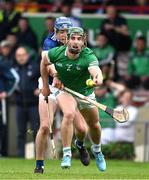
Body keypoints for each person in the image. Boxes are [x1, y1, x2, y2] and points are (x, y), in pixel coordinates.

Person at [41, 27, 106, 172]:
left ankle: (97, 151)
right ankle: (67, 154)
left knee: (93, 125)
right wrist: (46, 85)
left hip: (84, 92)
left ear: (83, 42)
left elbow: (96, 71)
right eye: (73, 38)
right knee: (69, 114)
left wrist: (98, 79)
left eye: (79, 39)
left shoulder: (88, 55)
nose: (76, 42)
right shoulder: (55, 53)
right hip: (65, 90)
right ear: (67, 40)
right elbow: (43, 64)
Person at [34, 17, 89, 173]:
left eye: (67, 31)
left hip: (68, 88)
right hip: (50, 85)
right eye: (61, 31)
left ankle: (79, 144)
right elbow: (47, 64)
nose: (64, 35)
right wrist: (55, 76)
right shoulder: (49, 43)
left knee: (82, 129)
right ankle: (39, 164)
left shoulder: (76, 44)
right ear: (56, 31)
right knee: (45, 126)